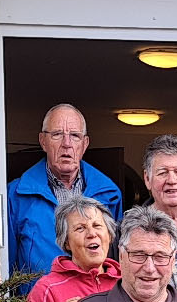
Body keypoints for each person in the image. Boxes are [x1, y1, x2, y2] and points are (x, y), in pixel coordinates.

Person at [8, 103, 124, 280]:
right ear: (43, 141)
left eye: (75, 136)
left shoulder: (109, 195)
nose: (67, 144)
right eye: (57, 135)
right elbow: (7, 262)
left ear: (85, 144)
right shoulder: (16, 195)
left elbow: (114, 262)